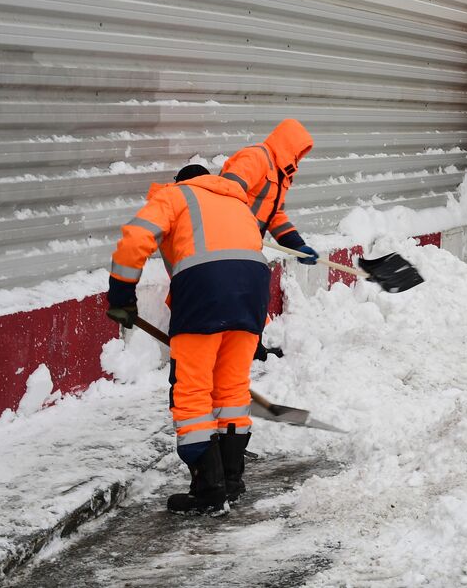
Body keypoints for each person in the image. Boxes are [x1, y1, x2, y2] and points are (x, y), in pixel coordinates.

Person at [106, 163, 270, 514]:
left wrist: (121, 296)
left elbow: (136, 237)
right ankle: (231, 479)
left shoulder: (174, 195)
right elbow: (245, 254)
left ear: (181, 182)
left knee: (192, 389)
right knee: (231, 389)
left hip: (204, 292)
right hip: (253, 292)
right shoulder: (238, 202)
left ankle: (208, 489)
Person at [220, 119, 318, 264]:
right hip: (225, 241)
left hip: (247, 246)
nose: (298, 158)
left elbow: (275, 215)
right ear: (289, 145)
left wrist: (297, 245)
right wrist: (241, 230)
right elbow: (225, 191)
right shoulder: (256, 157)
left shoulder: (281, 175)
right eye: (298, 152)